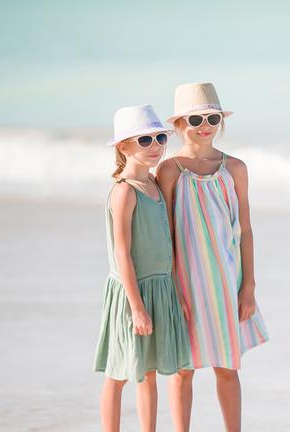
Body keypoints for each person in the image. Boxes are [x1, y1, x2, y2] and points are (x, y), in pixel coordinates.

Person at [157, 83, 269, 432]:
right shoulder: (170, 169)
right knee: (183, 368)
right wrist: (174, 288)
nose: (204, 124)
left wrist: (248, 286)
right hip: (186, 282)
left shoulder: (235, 168)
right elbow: (166, 235)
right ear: (179, 124)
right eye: (195, 118)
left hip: (225, 280)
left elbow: (245, 231)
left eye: (212, 117)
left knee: (227, 366)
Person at [94, 105, 193, 432]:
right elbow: (122, 253)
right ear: (124, 147)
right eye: (145, 140)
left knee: (148, 370)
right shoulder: (124, 191)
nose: (155, 146)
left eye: (160, 137)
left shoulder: (153, 183)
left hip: (160, 287)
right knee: (120, 372)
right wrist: (136, 307)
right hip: (131, 291)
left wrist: (175, 291)